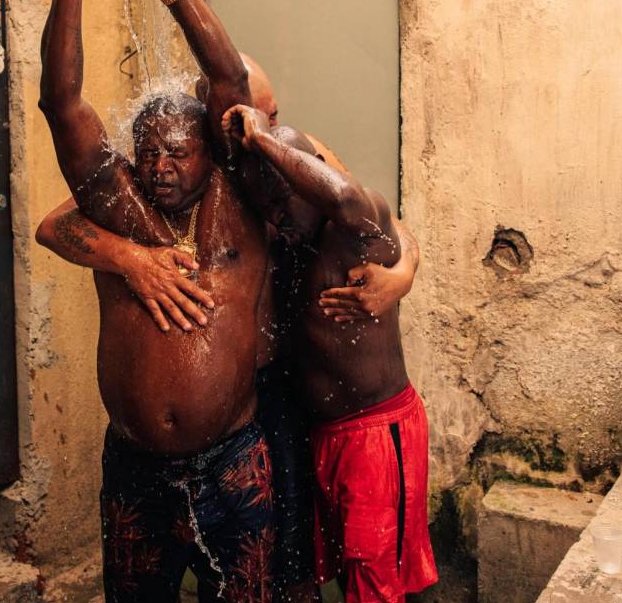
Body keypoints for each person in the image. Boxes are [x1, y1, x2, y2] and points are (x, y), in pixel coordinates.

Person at [38, 60, 420, 603]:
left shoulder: (283, 152)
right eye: (254, 115)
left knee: (293, 554)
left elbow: (370, 212)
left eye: (271, 113)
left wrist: (401, 275)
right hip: (235, 398)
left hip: (284, 381)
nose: (265, 124)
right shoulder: (174, 169)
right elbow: (54, 223)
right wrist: (130, 258)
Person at [36, 0, 275, 602]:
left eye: (179, 152)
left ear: (211, 152)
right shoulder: (121, 209)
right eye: (149, 155)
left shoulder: (236, 207)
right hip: (135, 471)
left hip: (234, 464)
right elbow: (63, 104)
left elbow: (232, 84)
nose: (163, 167)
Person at [222, 103, 438, 602]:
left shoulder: (354, 233)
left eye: (283, 204)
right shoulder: (292, 242)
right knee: (346, 569)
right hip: (325, 434)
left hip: (375, 432)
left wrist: (262, 140)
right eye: (267, 209)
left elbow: (345, 195)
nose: (276, 219)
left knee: (376, 578)